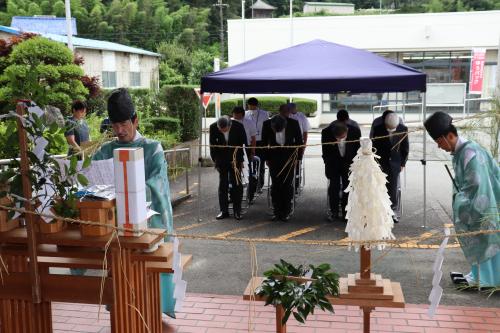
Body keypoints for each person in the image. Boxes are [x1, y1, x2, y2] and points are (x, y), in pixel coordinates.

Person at [92, 88, 177, 317]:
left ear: (135, 120)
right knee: (120, 286)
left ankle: (148, 318)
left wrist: (127, 193)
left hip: (147, 228)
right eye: (114, 125)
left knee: (147, 286)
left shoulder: (152, 148)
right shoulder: (105, 151)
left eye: (124, 124)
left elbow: (158, 186)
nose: (119, 131)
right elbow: (92, 182)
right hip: (115, 231)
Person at [424, 111, 499, 287]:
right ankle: (479, 275)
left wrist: (460, 200)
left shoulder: (470, 153)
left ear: (450, 136)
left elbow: (478, 187)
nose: (439, 146)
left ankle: (487, 279)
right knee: (482, 239)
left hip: (485, 204)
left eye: (439, 141)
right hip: (483, 202)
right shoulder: (463, 152)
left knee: (485, 239)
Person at [261, 104, 303, 221]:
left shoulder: (293, 124)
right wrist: (267, 159)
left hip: (289, 158)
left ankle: (286, 211)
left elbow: (299, 142)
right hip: (273, 158)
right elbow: (264, 143)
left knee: (287, 185)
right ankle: (276, 210)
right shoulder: (267, 124)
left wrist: (298, 159)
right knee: (275, 185)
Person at [372, 111, 409, 223]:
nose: (391, 130)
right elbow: (374, 147)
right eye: (389, 128)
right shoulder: (378, 129)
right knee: (380, 187)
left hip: (395, 163)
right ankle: (380, 211)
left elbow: (405, 147)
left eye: (393, 128)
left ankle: (392, 212)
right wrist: (375, 162)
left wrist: (403, 163)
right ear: (385, 124)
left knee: (393, 188)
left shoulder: (403, 129)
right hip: (381, 162)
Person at [321, 120, 361, 222]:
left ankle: (346, 212)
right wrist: (328, 162)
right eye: (337, 138)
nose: (340, 140)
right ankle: (333, 211)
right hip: (333, 163)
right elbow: (325, 151)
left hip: (349, 163)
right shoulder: (326, 132)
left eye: (342, 137)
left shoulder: (355, 132)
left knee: (347, 188)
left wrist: (356, 165)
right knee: (334, 187)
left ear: (347, 132)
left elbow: (358, 150)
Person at [209, 115, 247, 220]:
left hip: (236, 160)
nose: (222, 132)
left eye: (225, 130)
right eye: (221, 130)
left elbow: (244, 144)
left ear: (230, 125)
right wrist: (215, 162)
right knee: (223, 185)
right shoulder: (213, 127)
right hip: (221, 161)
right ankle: (224, 211)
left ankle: (237, 211)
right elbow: (212, 146)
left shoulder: (238, 126)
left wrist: (243, 160)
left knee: (237, 185)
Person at [232, 106, 258, 203]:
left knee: (249, 173)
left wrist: (252, 151)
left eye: (238, 116)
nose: (236, 118)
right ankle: (234, 196)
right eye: (234, 116)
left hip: (246, 148)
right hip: (234, 149)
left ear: (242, 115)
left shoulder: (249, 123)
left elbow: (254, 139)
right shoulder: (230, 122)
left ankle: (250, 196)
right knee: (234, 174)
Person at [246, 97, 269, 192]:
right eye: (250, 106)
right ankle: (252, 186)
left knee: (261, 164)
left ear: (256, 105)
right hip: (250, 142)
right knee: (251, 165)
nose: (251, 107)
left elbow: (267, 128)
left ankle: (260, 185)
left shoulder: (264, 114)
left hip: (261, 142)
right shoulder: (246, 114)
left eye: (252, 105)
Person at [289, 102, 311, 191]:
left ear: (295, 108)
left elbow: (305, 131)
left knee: (298, 163)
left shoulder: (301, 116)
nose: (291, 110)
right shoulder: (286, 116)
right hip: (288, 144)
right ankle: (289, 183)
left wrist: (304, 144)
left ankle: (296, 184)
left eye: (293, 108)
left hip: (299, 143)